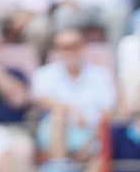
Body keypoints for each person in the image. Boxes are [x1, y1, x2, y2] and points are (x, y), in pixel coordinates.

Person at [32, 29, 119, 164]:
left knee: (104, 137)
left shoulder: (101, 75)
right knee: (58, 114)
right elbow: (41, 100)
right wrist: (71, 110)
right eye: (63, 47)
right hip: (55, 132)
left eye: (73, 46)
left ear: (82, 47)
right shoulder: (44, 74)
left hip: (92, 132)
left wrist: (93, 137)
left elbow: (108, 111)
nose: (69, 52)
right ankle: (60, 170)